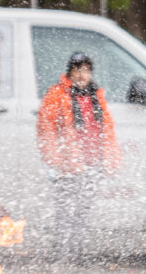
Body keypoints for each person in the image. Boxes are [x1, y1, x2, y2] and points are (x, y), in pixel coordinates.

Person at [36, 51, 121, 254]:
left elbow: (107, 128)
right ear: (70, 72)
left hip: (93, 161)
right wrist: (53, 158)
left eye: (86, 70)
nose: (82, 75)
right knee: (65, 210)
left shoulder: (96, 96)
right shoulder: (57, 94)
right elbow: (45, 127)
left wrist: (110, 157)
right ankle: (61, 250)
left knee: (83, 210)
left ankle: (78, 250)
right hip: (69, 163)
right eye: (77, 70)